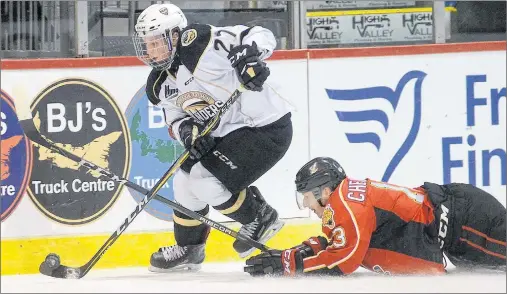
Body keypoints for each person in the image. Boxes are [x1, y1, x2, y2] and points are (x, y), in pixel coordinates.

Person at [132, 3, 293, 272]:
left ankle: (259, 217)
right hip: (229, 135)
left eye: (156, 42)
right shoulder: (159, 84)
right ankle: (189, 248)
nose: (150, 50)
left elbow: (259, 34)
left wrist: (250, 56)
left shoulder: (199, 45)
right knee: (184, 178)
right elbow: (175, 118)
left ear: (174, 35)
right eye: (147, 44)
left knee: (203, 179)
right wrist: (187, 132)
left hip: (266, 128)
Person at [244, 157, 506, 276]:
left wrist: (291, 264)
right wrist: (299, 251)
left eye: (307, 196)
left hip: (467, 223)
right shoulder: (343, 201)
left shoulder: (345, 205)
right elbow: (343, 243)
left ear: (324, 191)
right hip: (456, 224)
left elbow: (344, 260)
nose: (306, 203)